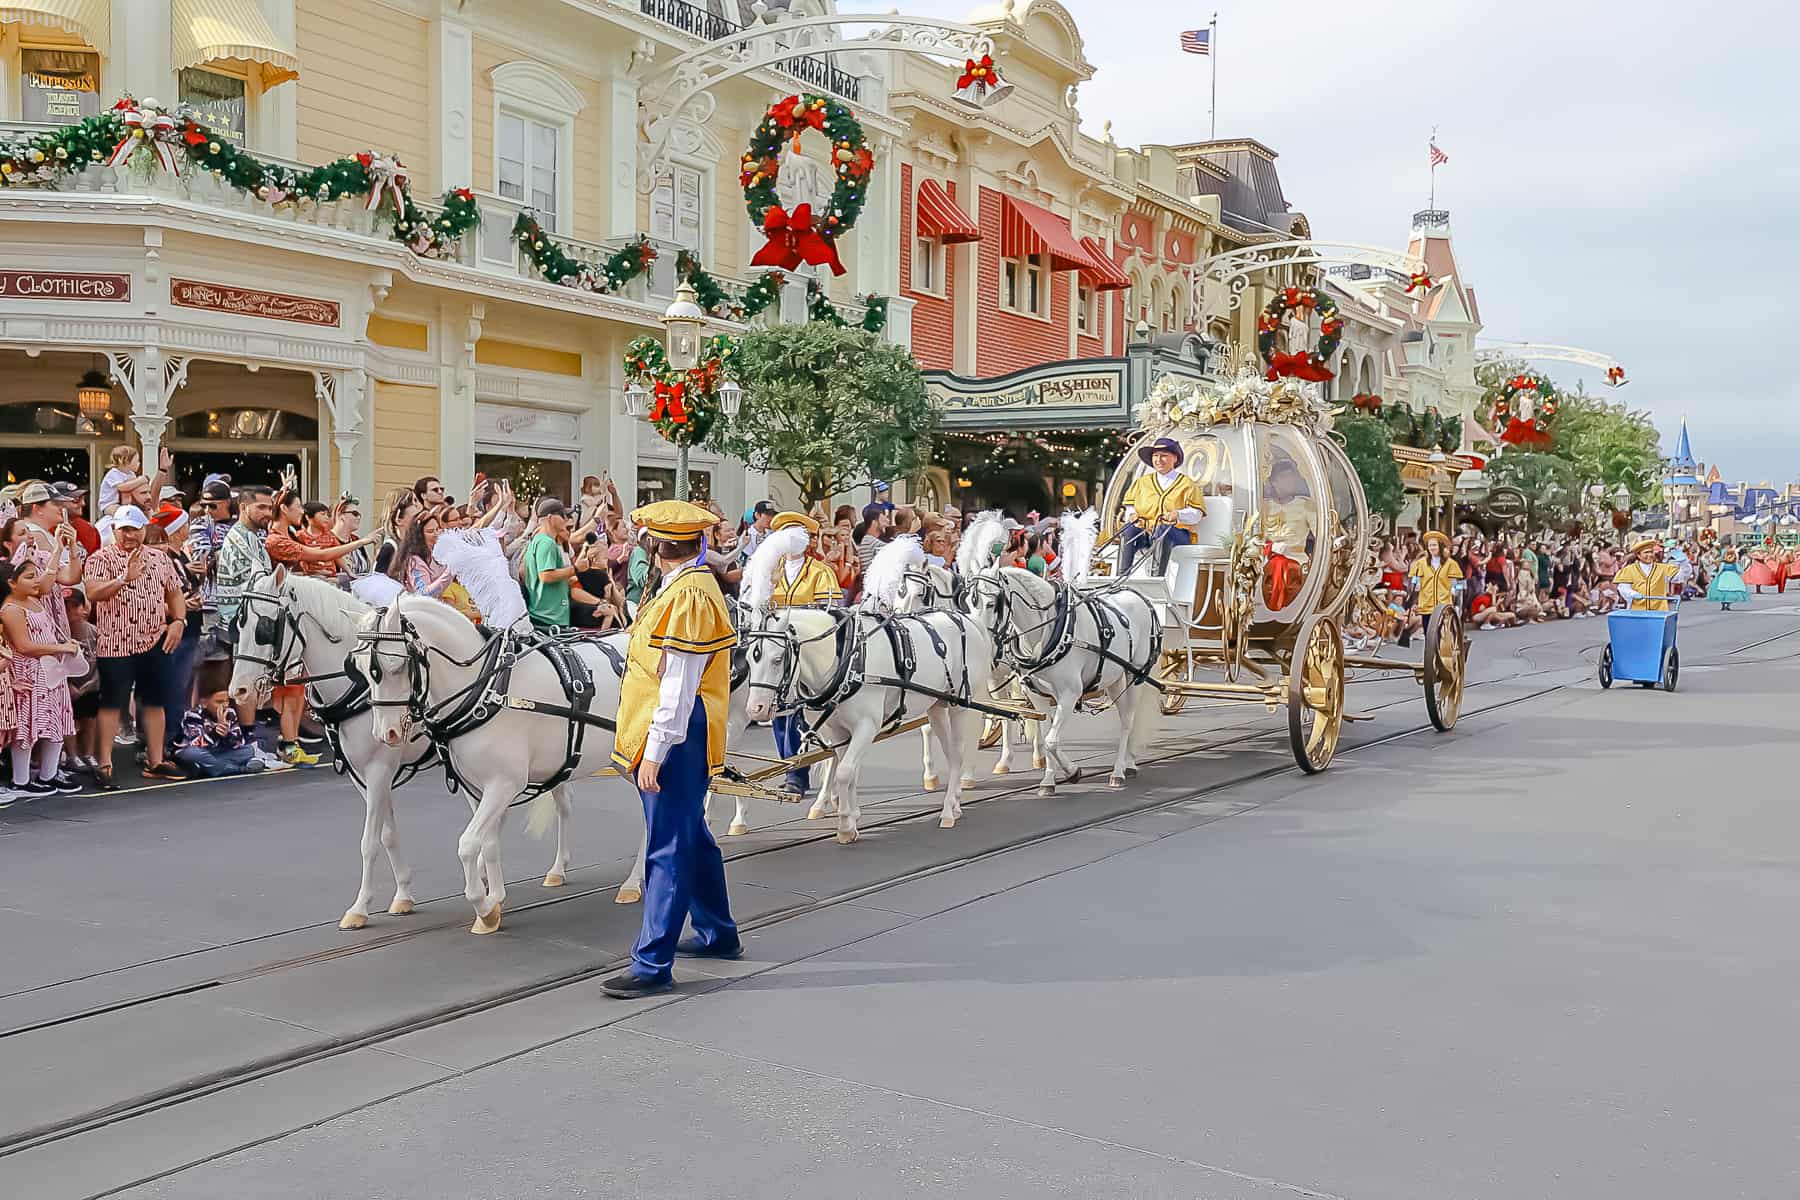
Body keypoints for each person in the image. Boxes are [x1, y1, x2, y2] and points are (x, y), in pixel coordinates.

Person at [603, 500, 741, 1000]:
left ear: (657, 548)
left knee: (668, 844)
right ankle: (718, 932)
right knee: (690, 834)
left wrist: (656, 752)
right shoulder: (686, 587)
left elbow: (679, 684)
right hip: (676, 728)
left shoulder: (689, 596)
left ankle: (652, 962)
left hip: (677, 733)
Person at [82, 506, 187, 786]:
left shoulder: (159, 558)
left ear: (144, 529)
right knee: (112, 703)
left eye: (134, 529)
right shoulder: (100, 559)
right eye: (123, 529)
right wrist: (122, 579)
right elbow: (92, 592)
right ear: (114, 530)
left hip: (154, 638)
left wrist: (179, 621)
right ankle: (104, 763)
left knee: (154, 700)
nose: (128, 535)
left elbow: (174, 592)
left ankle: (156, 760)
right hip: (116, 642)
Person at [763, 512, 841, 800]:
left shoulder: (820, 572)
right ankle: (789, 767)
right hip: (778, 652)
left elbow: (829, 615)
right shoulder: (771, 572)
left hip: (808, 652)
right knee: (778, 713)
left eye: (797, 535)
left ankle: (796, 773)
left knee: (798, 714)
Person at [1, 559, 80, 798]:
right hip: (29, 672)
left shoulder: (34, 601)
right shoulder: (11, 609)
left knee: (58, 720)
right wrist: (60, 648)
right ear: (11, 583)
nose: (36, 581)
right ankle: (21, 780)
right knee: (27, 725)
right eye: (28, 577)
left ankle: (49, 773)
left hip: (51, 670)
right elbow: (24, 646)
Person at [1120, 437, 1205, 576]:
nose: (1159, 460)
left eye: (1164, 456)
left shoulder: (1187, 484)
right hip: (1146, 532)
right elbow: (1130, 506)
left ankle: (1156, 578)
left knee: (1163, 529)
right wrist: (1131, 515)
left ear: (1175, 458)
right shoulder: (1141, 482)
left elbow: (1197, 514)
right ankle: (1121, 575)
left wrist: (1178, 514)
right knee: (1128, 530)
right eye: (1155, 456)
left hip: (1177, 534)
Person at [174, 668, 266, 778]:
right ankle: (237, 769)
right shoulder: (193, 715)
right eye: (219, 702)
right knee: (192, 753)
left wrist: (226, 735)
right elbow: (194, 744)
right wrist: (215, 733)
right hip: (199, 752)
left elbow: (238, 743)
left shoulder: (230, 713)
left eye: (227, 700)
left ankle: (212, 768)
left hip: (219, 753)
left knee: (248, 750)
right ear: (204, 703)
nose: (225, 705)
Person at [1400, 529, 1462, 648]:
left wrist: (1457, 599)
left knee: (1441, 632)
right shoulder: (1421, 564)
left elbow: (1456, 583)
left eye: (1434, 545)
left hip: (1443, 604)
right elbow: (1414, 581)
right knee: (1429, 633)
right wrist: (1412, 589)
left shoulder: (1450, 564)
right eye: (1429, 545)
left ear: (1440, 545)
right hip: (1426, 603)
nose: (1432, 548)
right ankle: (1429, 658)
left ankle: (1441, 655)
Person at [63, 587, 101, 777]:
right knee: (68, 721)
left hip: (91, 683)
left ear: (84, 608)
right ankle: (72, 756)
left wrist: (92, 683)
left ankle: (88, 753)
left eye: (75, 606)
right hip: (67, 686)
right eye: (66, 607)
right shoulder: (60, 634)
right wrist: (68, 685)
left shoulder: (94, 632)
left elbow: (102, 662)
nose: (71, 612)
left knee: (90, 719)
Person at [1612, 538, 1679, 611]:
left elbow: (1678, 577)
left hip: (1659, 611)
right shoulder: (1629, 570)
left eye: (1651, 552)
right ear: (1638, 555)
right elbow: (1623, 588)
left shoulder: (1663, 568)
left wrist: (1681, 562)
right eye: (1646, 552)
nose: (1649, 555)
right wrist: (1632, 594)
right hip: (1637, 611)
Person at [1707, 545, 1751, 610]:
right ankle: (1726, 605)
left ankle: (1724, 605)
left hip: (1725, 576)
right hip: (1732, 576)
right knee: (1729, 591)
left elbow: (1720, 570)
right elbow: (1739, 570)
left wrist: (1717, 576)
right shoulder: (1732, 563)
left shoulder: (1726, 563)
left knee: (1724, 591)